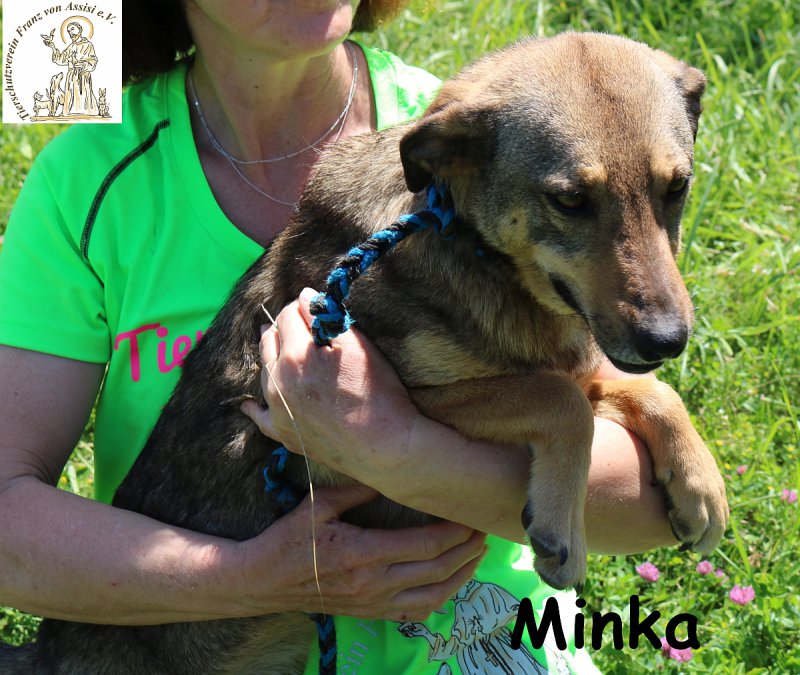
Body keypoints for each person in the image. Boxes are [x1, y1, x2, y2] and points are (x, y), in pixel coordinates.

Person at [0, 1, 676, 672]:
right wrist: (252, 578)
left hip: (485, 647)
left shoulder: (507, 129)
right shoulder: (88, 179)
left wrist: (396, 449)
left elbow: (652, 509)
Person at [42, 20, 100, 116]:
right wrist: (53, 47)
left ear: (80, 30)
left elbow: (93, 61)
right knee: (71, 94)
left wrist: (83, 64)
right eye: (68, 31)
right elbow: (61, 59)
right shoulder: (71, 46)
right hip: (72, 76)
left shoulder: (88, 45)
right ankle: (70, 112)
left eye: (72, 29)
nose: (70, 33)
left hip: (83, 75)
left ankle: (86, 113)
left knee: (84, 95)